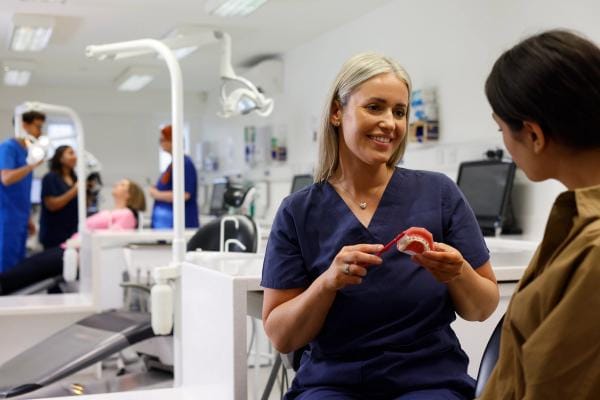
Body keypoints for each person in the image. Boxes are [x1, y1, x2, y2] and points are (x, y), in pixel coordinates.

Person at [261, 53, 499, 399]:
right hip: (332, 383)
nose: (390, 122)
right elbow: (282, 336)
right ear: (336, 112)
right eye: (375, 107)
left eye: (399, 112)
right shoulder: (298, 212)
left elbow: (482, 308)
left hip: (428, 381)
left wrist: (457, 271)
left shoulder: (439, 193)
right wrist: (327, 284)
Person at [480, 30, 600, 400]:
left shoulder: (593, 251)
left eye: (502, 130)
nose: (505, 143)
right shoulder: (575, 218)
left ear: (532, 134)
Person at [0, 179, 146, 295]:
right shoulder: (116, 212)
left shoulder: (127, 214)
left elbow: (112, 238)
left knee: (28, 270)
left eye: (122, 184)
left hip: (76, 254)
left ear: (129, 194)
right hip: (69, 248)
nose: (116, 184)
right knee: (27, 266)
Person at [0, 110, 46, 272]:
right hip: (6, 217)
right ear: (23, 125)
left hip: (20, 217)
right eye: (37, 127)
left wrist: (28, 218)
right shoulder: (8, 148)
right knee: (6, 264)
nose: (40, 132)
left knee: (18, 265)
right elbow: (5, 178)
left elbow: (23, 190)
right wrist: (32, 166)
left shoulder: (27, 153)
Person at [149, 125, 199, 229]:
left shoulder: (185, 164)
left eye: (163, 140)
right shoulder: (172, 165)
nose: (161, 143)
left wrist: (157, 194)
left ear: (173, 141)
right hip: (167, 224)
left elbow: (185, 194)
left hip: (180, 223)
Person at [39, 145, 79, 249]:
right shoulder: (50, 178)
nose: (75, 157)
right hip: (54, 235)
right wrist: (74, 191)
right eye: (70, 153)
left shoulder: (75, 179)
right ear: (60, 158)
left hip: (72, 232)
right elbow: (52, 205)